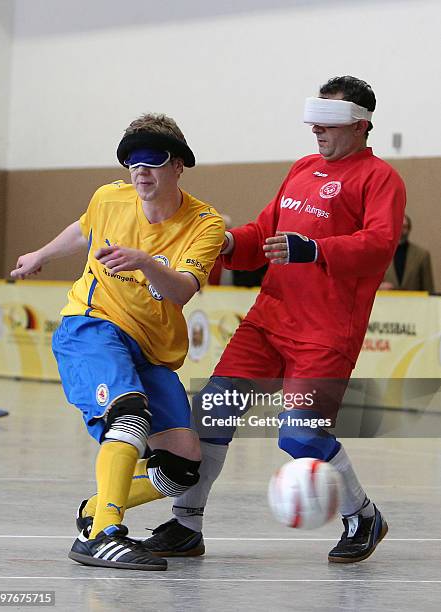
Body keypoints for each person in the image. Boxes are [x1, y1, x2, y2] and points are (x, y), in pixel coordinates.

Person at [143, 76, 406, 563]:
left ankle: (363, 515)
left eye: (326, 120)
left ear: (360, 124)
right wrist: (224, 244)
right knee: (212, 415)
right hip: (267, 321)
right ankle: (185, 525)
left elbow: (379, 245)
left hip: (324, 333)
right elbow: (262, 234)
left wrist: (314, 249)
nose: (315, 129)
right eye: (313, 119)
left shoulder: (380, 178)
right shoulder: (303, 169)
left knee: (301, 435)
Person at [10, 113, 225, 571]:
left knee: (184, 461)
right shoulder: (110, 197)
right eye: (132, 160)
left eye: (153, 159)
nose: (140, 170)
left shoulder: (204, 223)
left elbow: (182, 290)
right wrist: (41, 255)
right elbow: (85, 228)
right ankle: (104, 533)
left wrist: (145, 261)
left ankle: (99, 506)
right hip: (92, 326)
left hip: (150, 348)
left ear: (178, 166)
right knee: (127, 411)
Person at [380, 214, 434, 292]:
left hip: (415, 302)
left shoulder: (422, 255)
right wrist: (379, 287)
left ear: (409, 229)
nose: (401, 230)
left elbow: (429, 289)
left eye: (404, 227)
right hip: (385, 301)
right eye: (398, 226)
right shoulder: (382, 254)